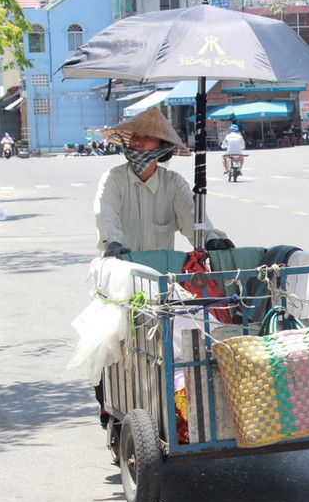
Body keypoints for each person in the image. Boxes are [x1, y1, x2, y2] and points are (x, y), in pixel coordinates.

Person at [93, 107, 228, 428]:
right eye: (135, 137)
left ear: (162, 148)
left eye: (146, 138)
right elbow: (105, 215)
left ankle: (166, 405)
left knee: (166, 346)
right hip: (118, 274)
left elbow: (195, 223)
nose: (137, 142)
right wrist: (112, 243)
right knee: (109, 344)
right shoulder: (113, 180)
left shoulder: (174, 185)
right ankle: (109, 405)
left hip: (159, 280)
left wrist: (213, 240)